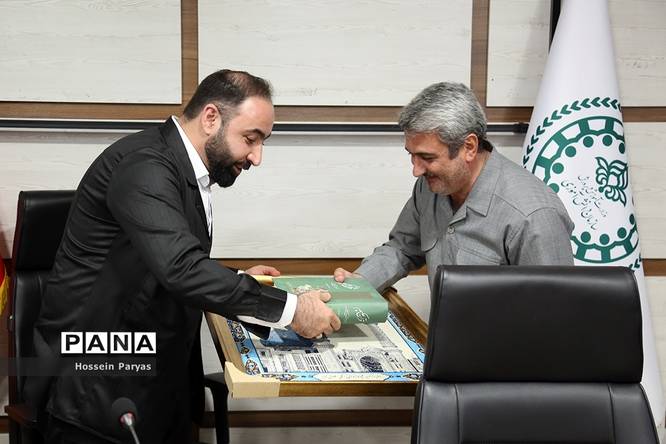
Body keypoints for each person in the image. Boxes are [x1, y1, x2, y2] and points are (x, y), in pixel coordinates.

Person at [27, 69, 341, 443]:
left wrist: (237, 277)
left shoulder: (179, 165)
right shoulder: (145, 166)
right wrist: (293, 311)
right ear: (211, 118)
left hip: (153, 372)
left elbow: (169, 258)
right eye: (250, 138)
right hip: (96, 388)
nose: (257, 157)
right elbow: (180, 268)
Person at [334, 82, 574, 292]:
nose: (416, 171)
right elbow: (402, 249)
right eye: (411, 155)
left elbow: (555, 310)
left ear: (469, 147)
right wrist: (360, 282)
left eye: (427, 158)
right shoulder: (429, 187)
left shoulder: (533, 216)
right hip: (445, 329)